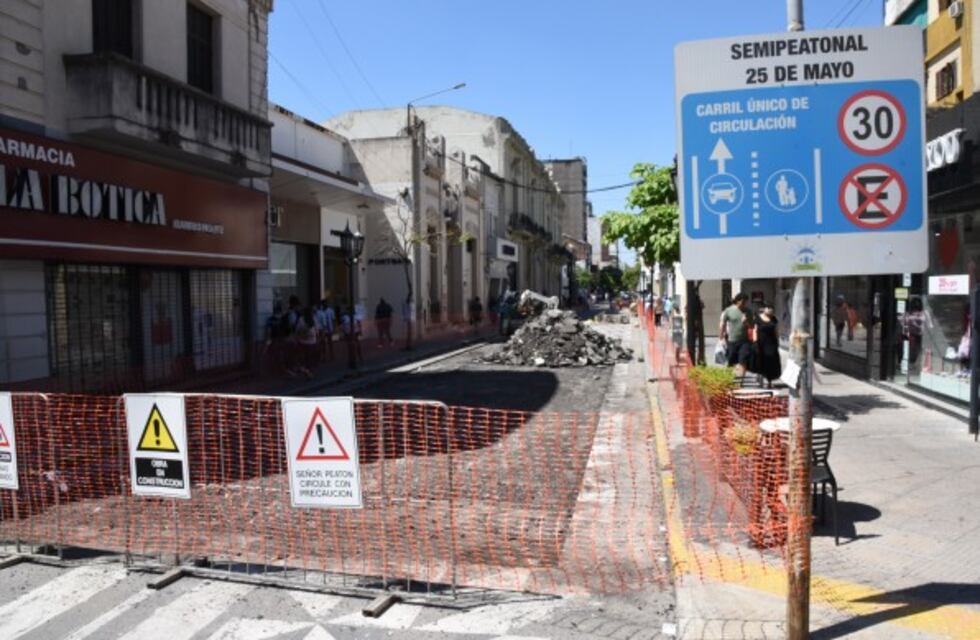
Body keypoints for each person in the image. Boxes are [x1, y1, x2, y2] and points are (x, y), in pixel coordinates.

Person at [719, 292, 754, 377]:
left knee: (743, 359)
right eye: (743, 301)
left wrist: (746, 322)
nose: (744, 303)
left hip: (744, 341)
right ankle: (729, 377)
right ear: (737, 301)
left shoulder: (748, 311)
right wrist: (721, 337)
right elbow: (723, 324)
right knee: (731, 359)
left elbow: (752, 326)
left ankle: (741, 379)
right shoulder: (728, 310)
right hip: (732, 340)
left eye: (746, 302)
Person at [754, 301, 782, 388]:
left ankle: (769, 381)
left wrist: (778, 341)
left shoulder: (774, 319)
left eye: (771, 308)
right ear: (764, 309)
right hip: (760, 343)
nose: (770, 310)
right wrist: (755, 342)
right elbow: (755, 330)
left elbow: (776, 331)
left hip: (771, 343)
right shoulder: (758, 318)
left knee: (771, 362)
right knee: (761, 361)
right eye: (768, 308)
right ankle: (760, 379)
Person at [293, 307, 318, 378]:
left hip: (303, 341)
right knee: (310, 358)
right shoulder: (313, 319)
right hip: (312, 341)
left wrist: (296, 338)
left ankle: (306, 370)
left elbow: (297, 329)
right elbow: (317, 330)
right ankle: (309, 371)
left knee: (304, 357)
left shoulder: (301, 319)